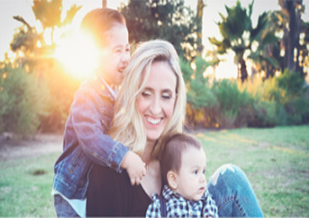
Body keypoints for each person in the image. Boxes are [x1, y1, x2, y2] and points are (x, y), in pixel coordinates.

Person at [86, 39, 264, 217]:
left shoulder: (173, 156)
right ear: (132, 95)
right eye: (146, 94)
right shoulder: (109, 173)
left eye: (166, 96)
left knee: (230, 178)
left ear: (176, 100)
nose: (156, 109)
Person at [52, 8, 146, 217]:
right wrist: (125, 157)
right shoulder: (87, 95)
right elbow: (91, 139)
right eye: (117, 51)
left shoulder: (117, 92)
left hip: (92, 187)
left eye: (127, 49)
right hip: (73, 189)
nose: (125, 58)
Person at [146, 133, 218, 217]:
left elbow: (212, 210)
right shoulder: (159, 206)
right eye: (195, 172)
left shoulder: (204, 198)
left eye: (203, 171)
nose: (203, 179)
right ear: (173, 179)